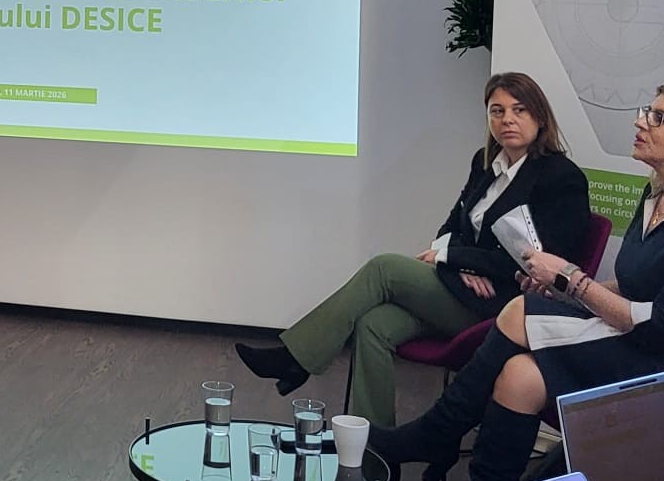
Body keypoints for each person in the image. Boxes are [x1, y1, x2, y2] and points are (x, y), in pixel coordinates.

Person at [372, 79, 664, 481]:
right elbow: (635, 285)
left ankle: (436, 433)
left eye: (659, 117)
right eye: (645, 112)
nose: (640, 122)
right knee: (520, 375)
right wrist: (562, 289)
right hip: (645, 337)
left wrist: (571, 280)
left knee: (520, 311)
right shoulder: (657, 197)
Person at [235, 73, 593, 423]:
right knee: (374, 325)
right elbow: (452, 226)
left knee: (384, 268)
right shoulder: (485, 163)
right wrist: (460, 262)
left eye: (519, 110)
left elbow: (540, 264)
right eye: (496, 111)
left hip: (503, 307)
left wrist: (454, 257)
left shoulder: (561, 177)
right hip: (461, 289)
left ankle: (295, 360)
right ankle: (372, 443)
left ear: (539, 117)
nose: (507, 120)